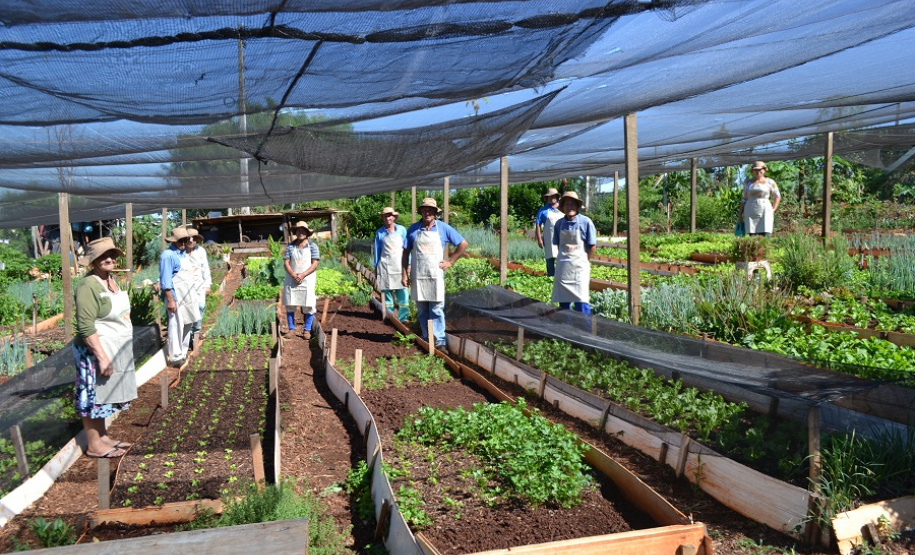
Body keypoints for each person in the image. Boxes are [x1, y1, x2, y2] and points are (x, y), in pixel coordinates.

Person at [73, 237, 137, 459]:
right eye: (102, 256)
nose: (108, 259)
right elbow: (85, 326)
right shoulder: (87, 285)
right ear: (93, 261)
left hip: (113, 347)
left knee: (103, 394)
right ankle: (93, 444)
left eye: (111, 255)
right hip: (92, 351)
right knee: (92, 395)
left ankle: (102, 436)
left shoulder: (110, 279)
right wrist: (101, 357)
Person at [401, 197, 468, 350]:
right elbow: (405, 252)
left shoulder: (443, 228)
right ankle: (426, 338)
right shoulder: (413, 229)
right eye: (424, 210)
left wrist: (450, 261)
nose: (427, 212)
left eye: (430, 210)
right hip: (419, 276)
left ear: (435, 212)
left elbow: (463, 244)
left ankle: (439, 342)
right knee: (422, 309)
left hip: (436, 276)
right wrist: (404, 274)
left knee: (436, 309)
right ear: (421, 212)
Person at [551, 191, 597, 314]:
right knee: (563, 301)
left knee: (581, 301)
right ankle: (565, 329)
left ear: (577, 206)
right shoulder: (559, 224)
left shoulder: (586, 222)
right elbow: (557, 244)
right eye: (566, 205)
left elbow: (592, 246)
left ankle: (583, 330)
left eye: (572, 204)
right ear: (563, 207)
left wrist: (585, 261)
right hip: (564, 268)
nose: (569, 207)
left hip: (579, 268)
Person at [159, 227, 199, 366]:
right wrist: (170, 300)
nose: (183, 242)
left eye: (185, 240)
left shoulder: (182, 254)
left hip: (187, 297)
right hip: (176, 298)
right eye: (180, 240)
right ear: (174, 241)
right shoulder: (168, 255)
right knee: (176, 325)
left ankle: (182, 352)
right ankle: (175, 356)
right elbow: (165, 281)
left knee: (187, 323)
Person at [283, 221, 320, 339]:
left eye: (303, 230)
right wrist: (294, 275)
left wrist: (303, 275)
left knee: (309, 304)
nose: (300, 232)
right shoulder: (290, 246)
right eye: (298, 230)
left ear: (307, 233)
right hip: (292, 277)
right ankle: (291, 328)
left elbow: (315, 264)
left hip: (307, 278)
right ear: (295, 232)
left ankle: (307, 330)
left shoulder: (313, 246)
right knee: (290, 303)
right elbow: (286, 262)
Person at [373, 206, 410, 323]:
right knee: (386, 292)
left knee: (402, 291)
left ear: (394, 217)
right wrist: (376, 267)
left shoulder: (402, 230)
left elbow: (407, 249)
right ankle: (390, 317)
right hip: (385, 266)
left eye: (389, 215)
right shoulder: (380, 232)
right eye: (385, 216)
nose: (387, 218)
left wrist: (409, 264)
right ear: (383, 218)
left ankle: (404, 318)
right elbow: (377, 251)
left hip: (400, 266)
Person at [740, 161, 781, 237]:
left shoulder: (770, 182)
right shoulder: (747, 183)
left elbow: (777, 196)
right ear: (753, 171)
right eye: (756, 170)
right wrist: (740, 215)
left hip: (765, 211)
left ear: (764, 170)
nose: (758, 171)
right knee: (752, 236)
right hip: (750, 211)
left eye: (760, 169)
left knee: (765, 234)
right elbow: (743, 199)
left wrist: (773, 209)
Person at [185, 228, 212, 342]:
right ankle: (189, 334)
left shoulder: (200, 251)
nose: (191, 241)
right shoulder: (180, 252)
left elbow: (205, 269)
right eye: (189, 238)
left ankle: (196, 331)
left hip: (199, 286)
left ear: (196, 240)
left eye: (194, 238)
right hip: (185, 288)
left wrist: (207, 285)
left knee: (200, 307)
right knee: (188, 310)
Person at [534, 187, 563, 277]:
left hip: (562, 239)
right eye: (549, 197)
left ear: (557, 197)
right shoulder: (543, 210)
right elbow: (538, 225)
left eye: (553, 196)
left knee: (562, 260)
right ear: (547, 198)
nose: (552, 198)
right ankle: (550, 278)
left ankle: (560, 278)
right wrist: (539, 239)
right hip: (549, 239)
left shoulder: (562, 208)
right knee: (550, 260)